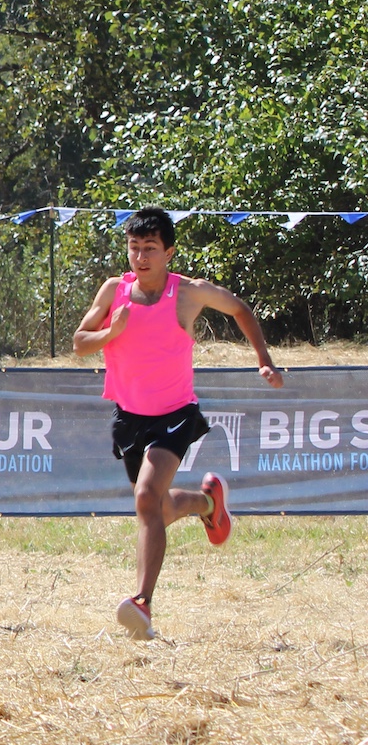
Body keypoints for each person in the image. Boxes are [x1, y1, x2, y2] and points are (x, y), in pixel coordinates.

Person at [73, 206, 281, 640]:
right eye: (134, 248)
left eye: (150, 249)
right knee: (158, 507)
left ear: (168, 251)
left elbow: (240, 309)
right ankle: (207, 503)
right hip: (129, 417)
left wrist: (264, 360)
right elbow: (79, 343)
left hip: (175, 414)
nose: (141, 257)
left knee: (147, 497)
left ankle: (142, 603)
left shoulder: (188, 292)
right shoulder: (114, 291)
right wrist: (111, 334)